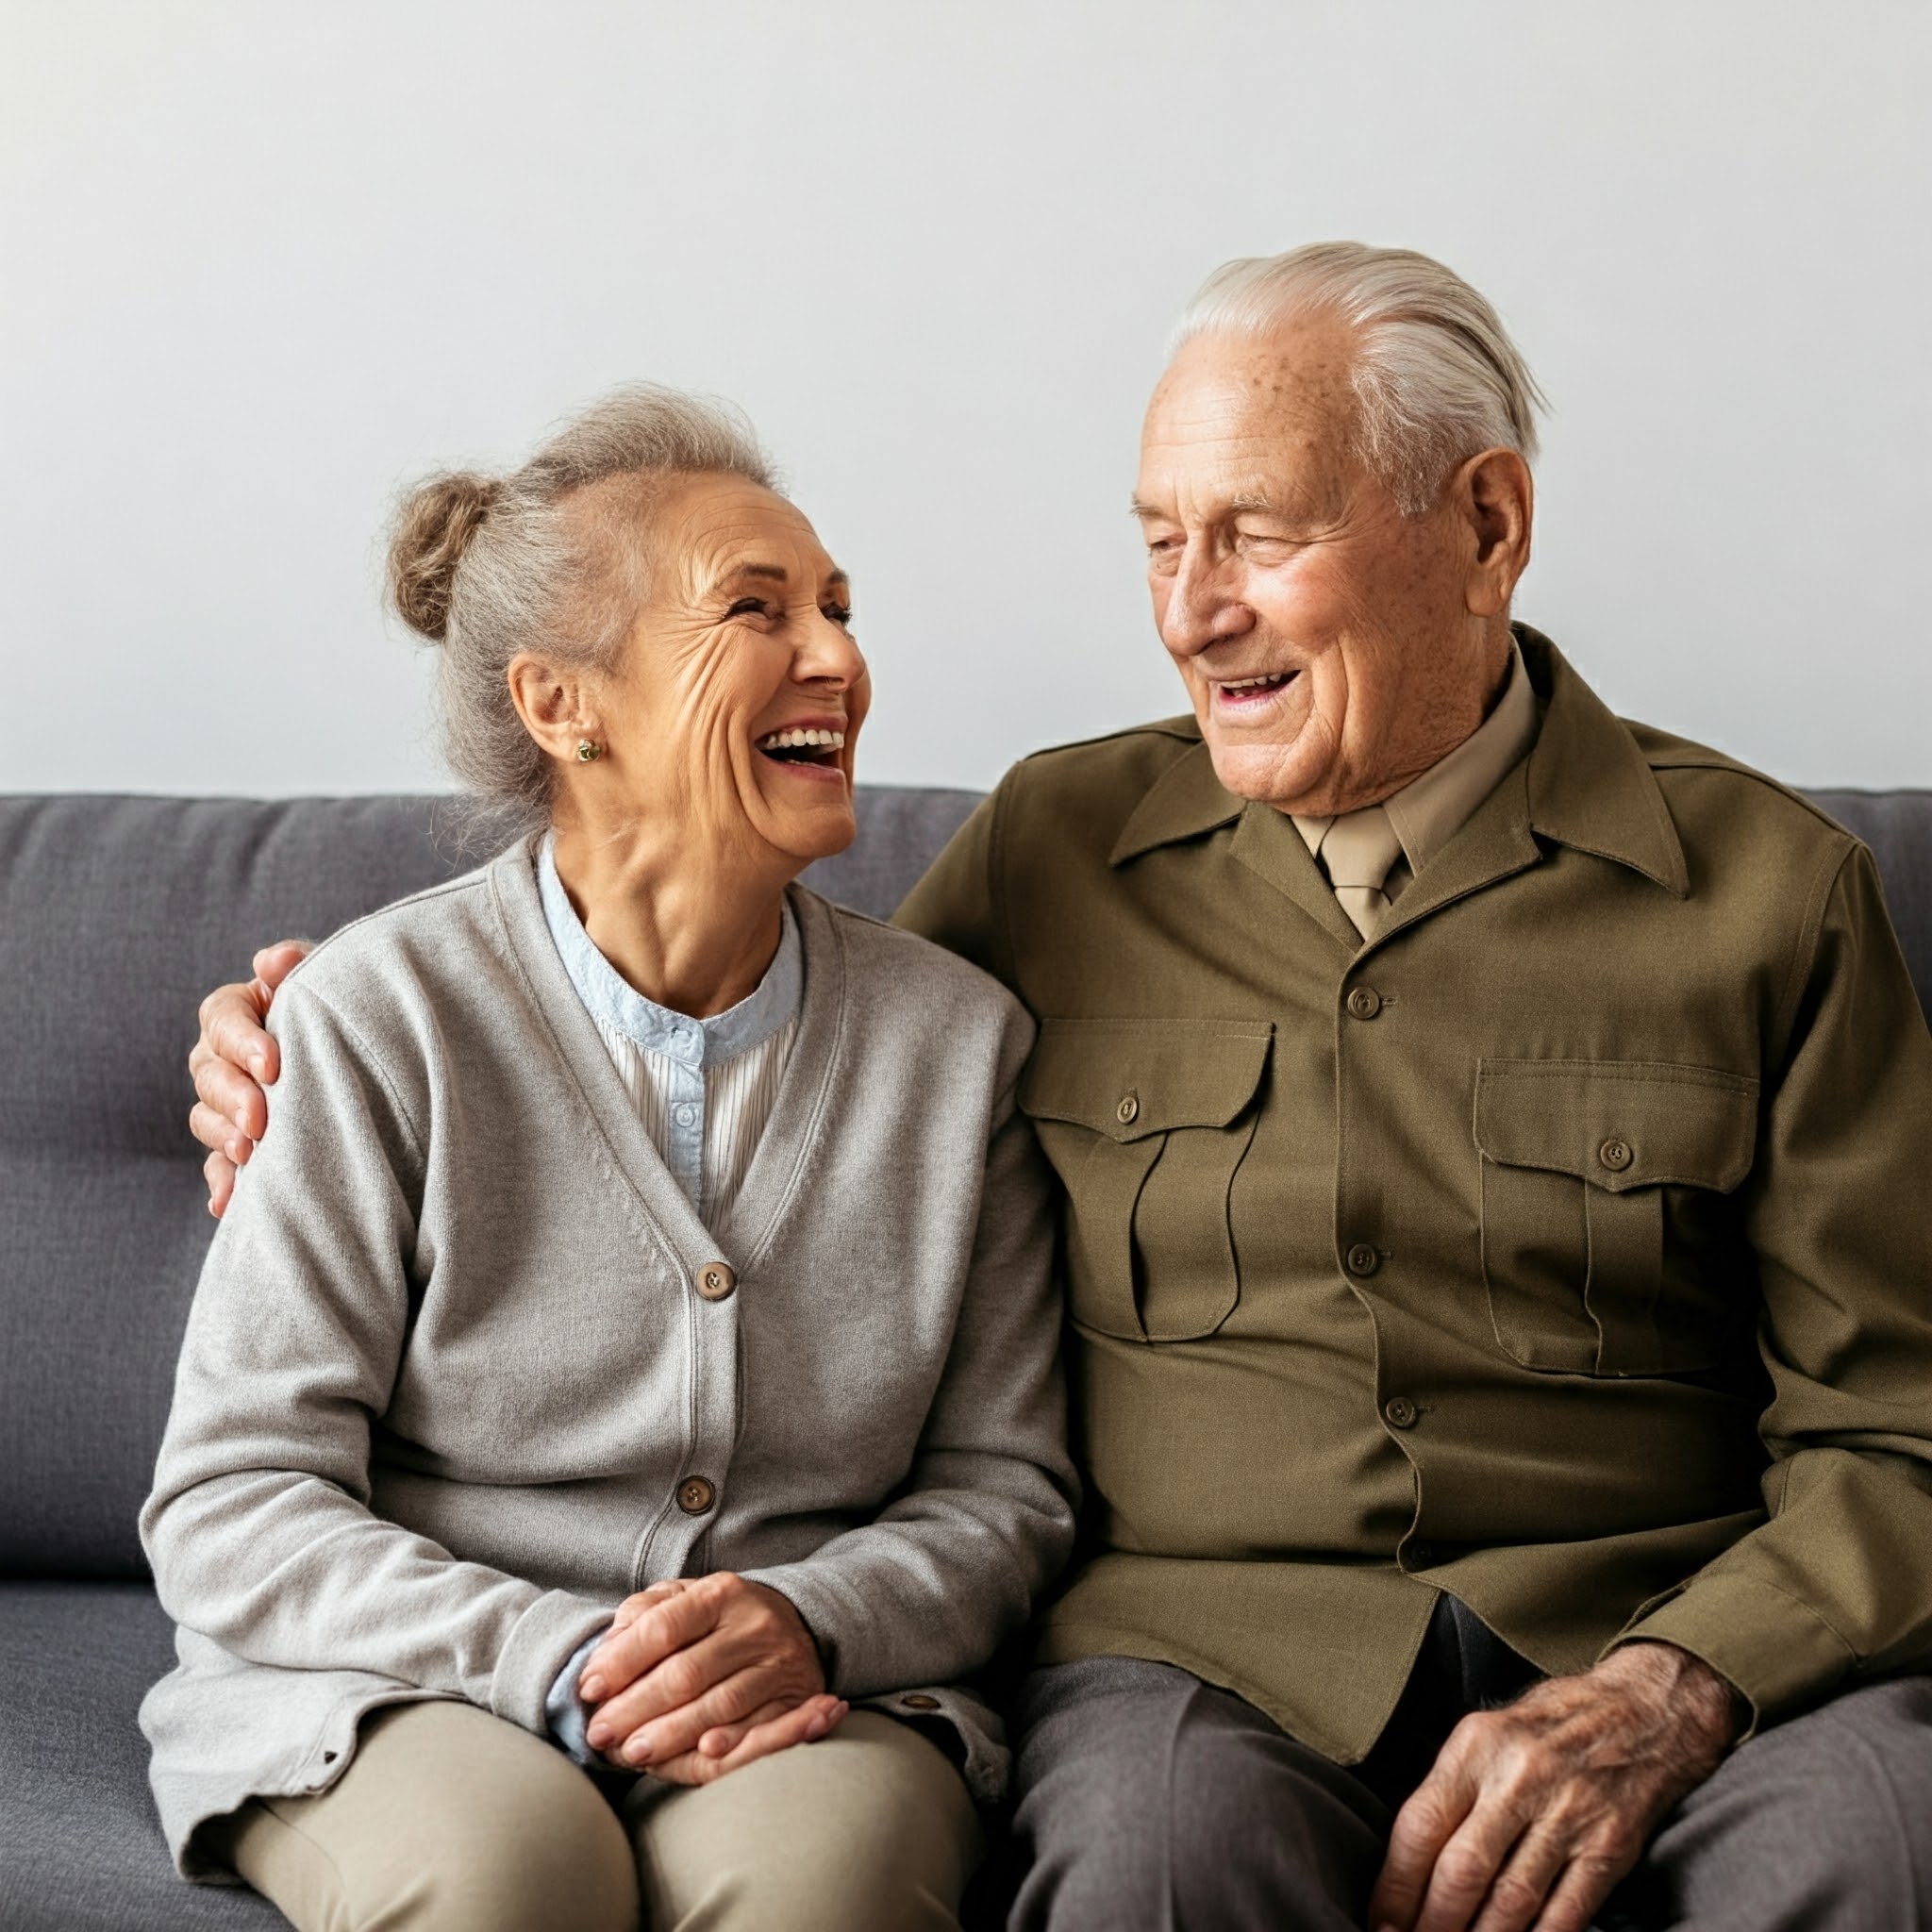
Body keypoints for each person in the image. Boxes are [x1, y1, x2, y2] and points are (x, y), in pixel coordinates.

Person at [192, 246, 1932, 1932]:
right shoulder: (1060, 852)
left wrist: (1682, 1682)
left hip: (1660, 1619)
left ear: (1487, 527)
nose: (1193, 611)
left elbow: (1897, 1426)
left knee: (1882, 1852)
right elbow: (735, 1023)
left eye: (1260, 533)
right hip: (1213, 1656)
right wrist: (288, 1031)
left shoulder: (1776, 896)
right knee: (1151, 1866)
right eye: (1164, 542)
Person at [149, 385, 1078, 1932]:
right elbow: (237, 1495)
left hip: (803, 1686)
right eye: (758, 609)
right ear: (562, 705)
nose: (839, 659)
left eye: (839, 610)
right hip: (398, 1684)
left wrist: (803, 1616)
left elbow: (1007, 1492)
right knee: (514, 1871)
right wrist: (555, 1660)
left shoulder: (957, 1048)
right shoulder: (379, 1020)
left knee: (821, 1886)